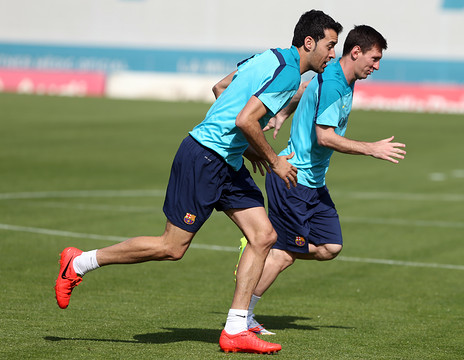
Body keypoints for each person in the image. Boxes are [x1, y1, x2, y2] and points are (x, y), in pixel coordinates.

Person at [54, 10, 343, 354]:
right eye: (329, 45)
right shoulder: (289, 75)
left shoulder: (268, 57)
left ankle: (236, 328)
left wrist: (241, 146)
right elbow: (245, 119)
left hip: (227, 159)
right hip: (204, 157)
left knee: (264, 235)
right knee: (171, 247)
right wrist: (272, 159)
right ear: (309, 42)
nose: (332, 54)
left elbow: (220, 87)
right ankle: (79, 262)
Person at [238, 25, 406, 335]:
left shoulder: (337, 75)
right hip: (293, 180)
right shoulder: (333, 81)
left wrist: (282, 113)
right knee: (286, 254)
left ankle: (265, 247)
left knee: (330, 246)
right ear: (355, 52)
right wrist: (371, 148)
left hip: (314, 183)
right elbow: (325, 137)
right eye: (375, 58)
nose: (377, 65)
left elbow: (304, 89)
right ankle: (242, 316)